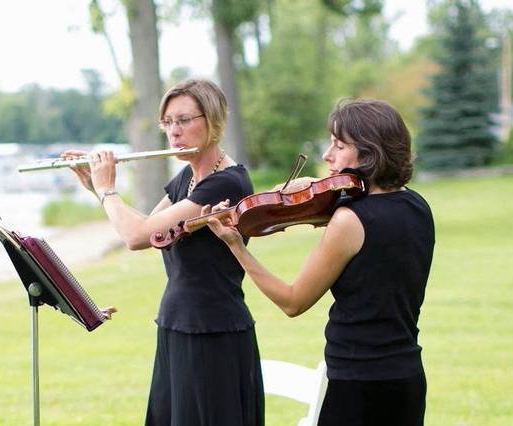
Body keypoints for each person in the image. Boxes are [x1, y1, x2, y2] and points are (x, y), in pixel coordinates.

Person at [205, 98, 435, 426]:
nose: (327, 156)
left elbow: (293, 301)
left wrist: (237, 246)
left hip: (357, 385)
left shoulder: (349, 220)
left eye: (339, 146)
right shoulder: (417, 207)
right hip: (407, 377)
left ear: (369, 153)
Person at [62, 79, 264, 426]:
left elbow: (137, 237)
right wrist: (96, 190)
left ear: (213, 120)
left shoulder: (226, 183)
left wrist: (108, 188)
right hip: (177, 323)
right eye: (167, 122)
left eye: (184, 120)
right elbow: (150, 227)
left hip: (211, 331)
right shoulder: (189, 177)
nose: (174, 131)